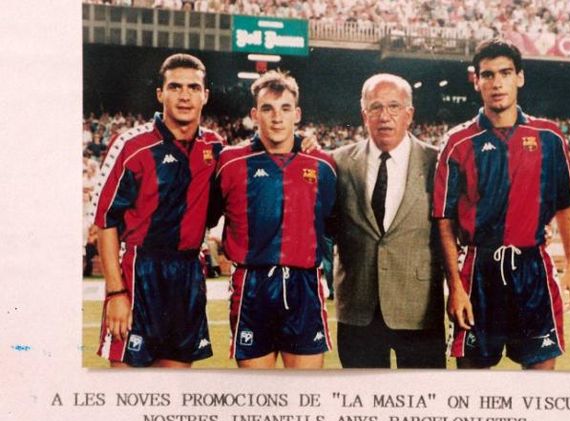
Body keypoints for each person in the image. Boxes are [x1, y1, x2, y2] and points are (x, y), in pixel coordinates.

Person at [433, 38, 570, 370]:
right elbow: (443, 220)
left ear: (520, 77)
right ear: (477, 81)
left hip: (532, 269)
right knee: (473, 379)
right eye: (488, 75)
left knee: (542, 375)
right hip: (477, 272)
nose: (497, 83)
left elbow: (565, 203)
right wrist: (455, 286)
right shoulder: (458, 143)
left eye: (505, 73)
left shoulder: (549, 137)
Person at [92, 53, 223, 368]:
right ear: (160, 93)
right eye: (175, 87)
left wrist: (303, 142)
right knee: (125, 393)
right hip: (139, 272)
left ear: (205, 95)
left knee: (173, 390)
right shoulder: (132, 146)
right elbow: (105, 221)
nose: (184, 95)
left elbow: (259, 156)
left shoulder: (215, 147)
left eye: (193, 87)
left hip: (188, 274)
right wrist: (115, 293)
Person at [210, 71, 337, 369]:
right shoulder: (230, 162)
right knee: (257, 397)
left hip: (304, 286)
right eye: (267, 108)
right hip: (252, 286)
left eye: (285, 108)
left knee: (305, 398)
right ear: (255, 115)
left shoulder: (323, 165)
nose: (276, 117)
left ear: (297, 114)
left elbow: (331, 224)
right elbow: (208, 215)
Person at [331, 73, 446, 368]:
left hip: (418, 308)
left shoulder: (437, 163)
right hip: (358, 307)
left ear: (409, 114)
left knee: (424, 402)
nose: (385, 116)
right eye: (376, 107)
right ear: (363, 114)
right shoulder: (338, 162)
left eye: (394, 107)